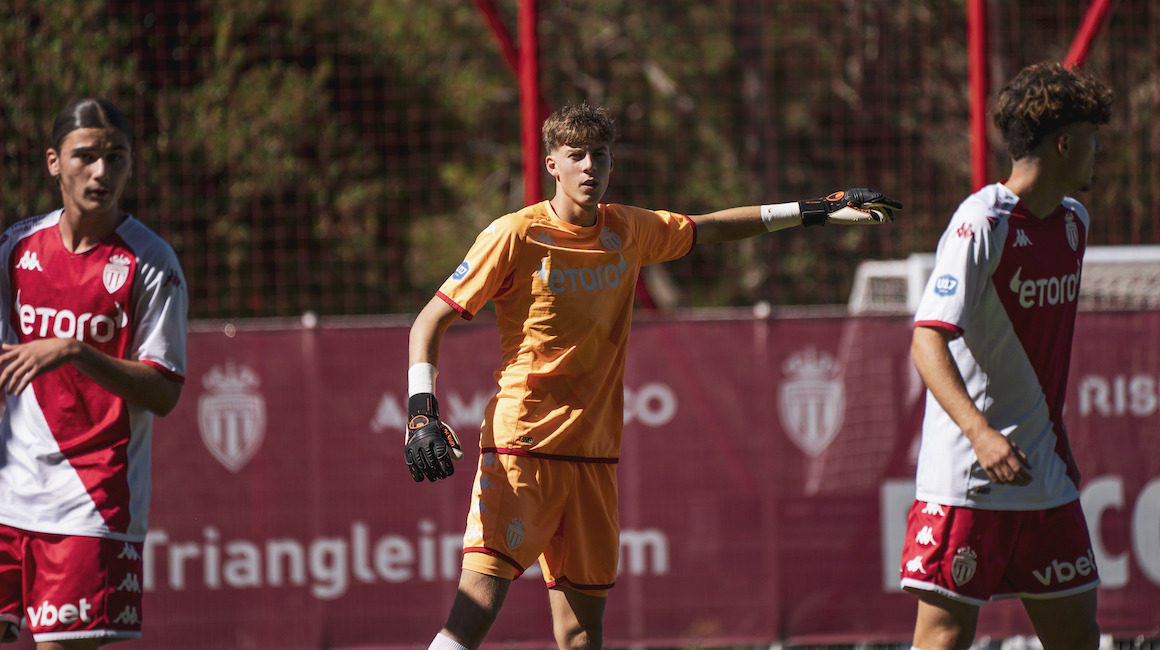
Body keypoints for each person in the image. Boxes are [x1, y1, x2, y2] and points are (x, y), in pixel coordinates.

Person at [406, 103, 901, 650]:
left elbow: (711, 227)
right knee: (473, 614)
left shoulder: (627, 229)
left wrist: (815, 210)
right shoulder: (514, 234)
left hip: (595, 457)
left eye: (599, 155)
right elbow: (430, 320)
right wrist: (421, 411)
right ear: (552, 165)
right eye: (576, 156)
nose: (589, 167)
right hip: (524, 447)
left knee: (581, 634)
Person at [899, 62, 1114, 650]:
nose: (1099, 150)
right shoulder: (981, 222)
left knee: (1079, 638)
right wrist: (981, 435)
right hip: (970, 481)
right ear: (1063, 144)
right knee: (944, 638)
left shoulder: (1073, 223)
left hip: (1044, 478)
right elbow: (926, 340)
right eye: (1092, 137)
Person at [0, 98, 188, 647]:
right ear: (54, 162)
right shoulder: (14, 248)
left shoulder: (151, 262)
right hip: (7, 497)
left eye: (116, 157)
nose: (101, 171)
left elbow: (164, 392)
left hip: (89, 505)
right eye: (86, 156)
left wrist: (76, 351)